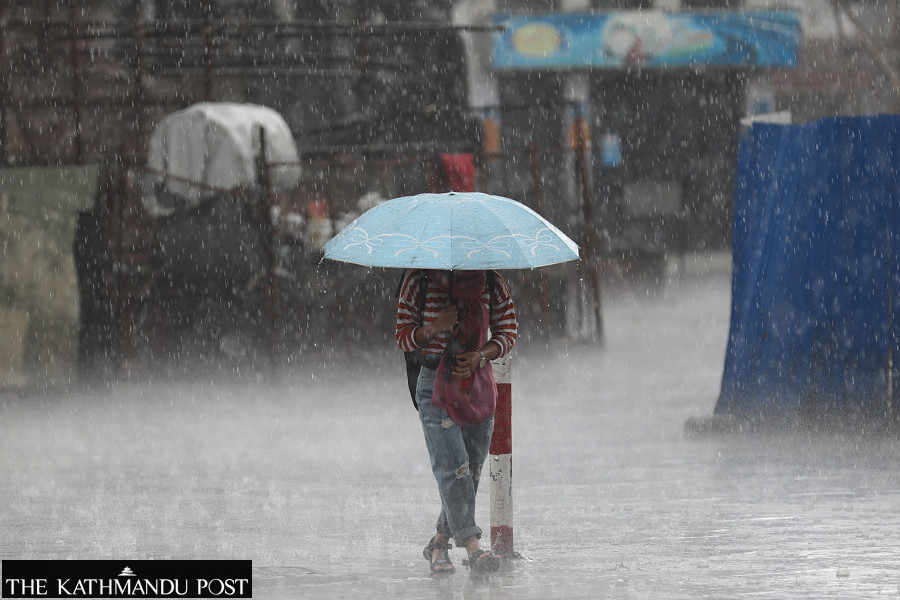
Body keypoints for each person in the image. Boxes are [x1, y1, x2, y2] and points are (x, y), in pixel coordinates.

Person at [396, 269, 518, 576]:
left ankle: (439, 543)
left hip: (478, 386)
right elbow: (403, 337)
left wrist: (481, 355)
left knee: (470, 470)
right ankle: (474, 548)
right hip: (434, 386)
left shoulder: (491, 280)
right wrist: (435, 327)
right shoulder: (419, 280)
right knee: (454, 467)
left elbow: (508, 331)